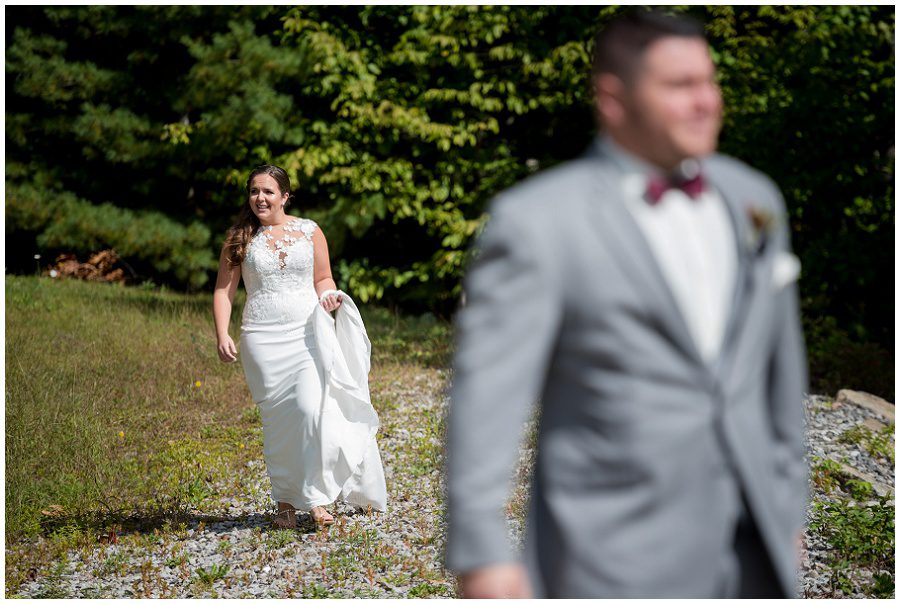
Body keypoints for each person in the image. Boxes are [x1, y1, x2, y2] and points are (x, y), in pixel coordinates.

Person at [445, 9, 807, 598]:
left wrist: (788, 508)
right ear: (613, 99)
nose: (706, 101)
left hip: (756, 556)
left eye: (709, 82)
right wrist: (483, 555)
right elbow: (488, 398)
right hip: (608, 558)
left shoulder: (754, 200)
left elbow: (779, 373)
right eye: (679, 86)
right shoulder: (538, 222)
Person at [213, 164, 387, 529]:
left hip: (307, 333)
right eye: (254, 191)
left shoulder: (309, 231)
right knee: (278, 424)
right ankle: (285, 503)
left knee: (311, 411)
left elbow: (323, 277)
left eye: (268, 191)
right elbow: (223, 290)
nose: (260, 197)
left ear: (285, 196)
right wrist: (222, 332)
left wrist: (329, 298)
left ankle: (318, 500)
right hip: (262, 338)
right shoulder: (239, 237)